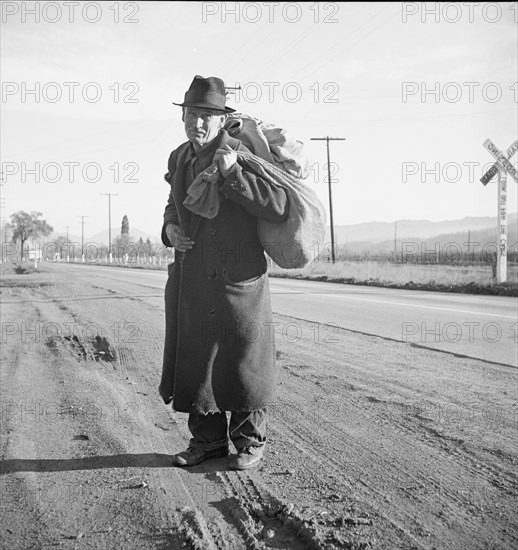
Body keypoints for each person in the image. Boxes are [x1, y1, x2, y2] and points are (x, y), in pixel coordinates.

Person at [159, 75, 289, 470]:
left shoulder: (242, 153)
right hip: (194, 276)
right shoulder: (179, 157)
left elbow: (278, 205)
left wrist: (234, 175)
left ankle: (250, 442)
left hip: (240, 278)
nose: (196, 123)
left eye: (205, 116)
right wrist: (170, 229)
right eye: (191, 114)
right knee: (198, 360)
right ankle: (207, 442)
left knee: (244, 359)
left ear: (220, 119)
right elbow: (171, 204)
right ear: (183, 115)